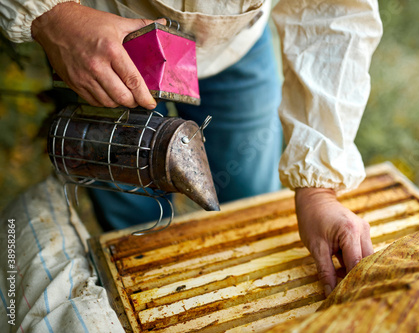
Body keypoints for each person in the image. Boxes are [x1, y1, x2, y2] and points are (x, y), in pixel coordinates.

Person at [0, 0, 383, 296]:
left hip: (234, 48)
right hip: (103, 40)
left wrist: (317, 192)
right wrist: (52, 15)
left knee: (249, 198)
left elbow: (336, 13)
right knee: (129, 209)